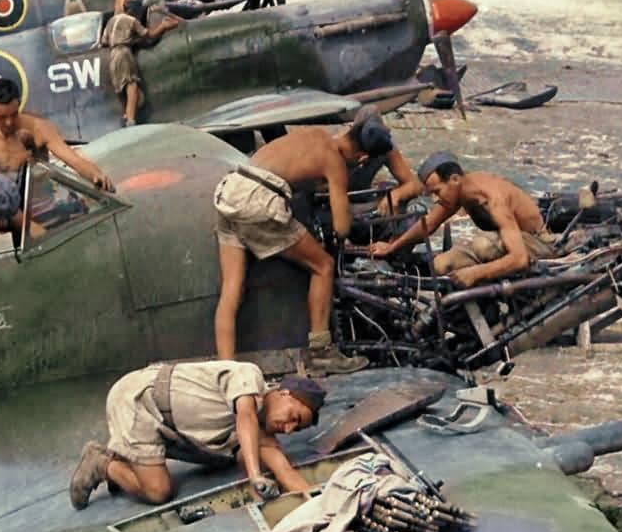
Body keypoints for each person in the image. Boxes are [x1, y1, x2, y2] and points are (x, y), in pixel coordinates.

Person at [212, 119, 397, 374]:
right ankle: (321, 351)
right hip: (258, 200)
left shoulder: (314, 134)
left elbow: (293, 170)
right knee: (323, 265)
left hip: (232, 188)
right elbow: (342, 228)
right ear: (363, 156)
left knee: (231, 289)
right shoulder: (335, 163)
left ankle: (227, 371)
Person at [70, 361, 324, 508]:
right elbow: (245, 416)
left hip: (167, 426)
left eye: (296, 429)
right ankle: (101, 463)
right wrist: (255, 476)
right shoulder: (249, 376)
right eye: (295, 417)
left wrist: (323, 505)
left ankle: (129, 461)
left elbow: (285, 473)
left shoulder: (261, 435)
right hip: (139, 401)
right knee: (158, 492)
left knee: (236, 456)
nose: (289, 427)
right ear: (284, 393)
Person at [371, 153, 562, 287]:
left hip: (535, 243)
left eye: (437, 192)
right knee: (440, 265)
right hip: (501, 244)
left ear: (454, 180)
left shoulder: (493, 200)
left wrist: (475, 273)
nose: (435, 200)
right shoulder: (459, 191)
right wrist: (392, 247)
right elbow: (428, 224)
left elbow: (519, 258)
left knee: (483, 245)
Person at [0, 77, 114, 193]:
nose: (9, 122)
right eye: (2, 118)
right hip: (10, 199)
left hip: (40, 196)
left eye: (14, 114)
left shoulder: (39, 128)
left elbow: (73, 159)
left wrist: (95, 174)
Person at [100, 0, 180, 125]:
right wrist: (163, 26)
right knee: (132, 85)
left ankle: (126, 115)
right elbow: (150, 35)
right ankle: (131, 120)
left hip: (113, 55)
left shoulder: (111, 21)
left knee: (121, 88)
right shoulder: (131, 20)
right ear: (133, 11)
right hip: (124, 53)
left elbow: (104, 42)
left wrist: (128, 39)